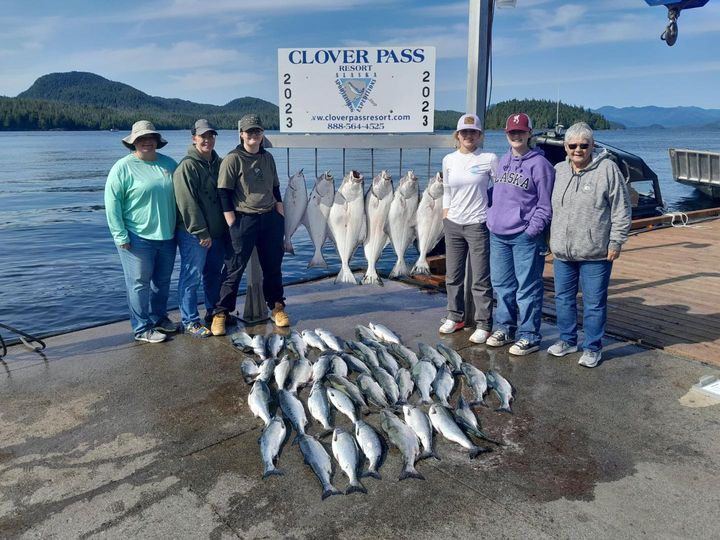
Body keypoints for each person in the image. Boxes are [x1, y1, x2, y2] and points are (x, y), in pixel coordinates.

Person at [547, 122, 631, 368]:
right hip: (562, 251)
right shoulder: (559, 170)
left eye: (584, 145)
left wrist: (616, 242)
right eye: (573, 145)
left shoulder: (608, 169)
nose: (578, 150)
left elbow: (622, 210)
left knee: (594, 303)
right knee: (563, 299)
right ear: (565, 147)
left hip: (596, 253)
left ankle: (593, 347)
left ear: (592, 146)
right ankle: (567, 340)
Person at [210, 114, 288, 336]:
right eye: (249, 132)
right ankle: (221, 313)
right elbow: (223, 192)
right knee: (234, 268)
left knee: (273, 267)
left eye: (258, 131)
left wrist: (280, 212)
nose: (254, 135)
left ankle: (277, 307)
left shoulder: (268, 158)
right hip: (244, 219)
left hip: (270, 218)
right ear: (242, 134)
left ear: (262, 134)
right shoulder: (232, 159)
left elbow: (275, 188)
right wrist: (232, 222)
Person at [486, 113, 554, 355]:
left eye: (521, 132)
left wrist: (531, 230)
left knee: (527, 287)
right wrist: (490, 217)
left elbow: (545, 205)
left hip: (525, 237)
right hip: (498, 234)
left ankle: (529, 335)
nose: (516, 135)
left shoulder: (540, 165)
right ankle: (505, 327)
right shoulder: (503, 160)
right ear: (506, 134)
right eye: (512, 132)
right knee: (502, 285)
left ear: (529, 134)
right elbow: (497, 194)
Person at [105, 121, 178, 343]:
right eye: (141, 138)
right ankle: (141, 328)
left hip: (168, 236)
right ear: (133, 142)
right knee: (139, 284)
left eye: (150, 138)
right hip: (137, 238)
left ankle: (159, 318)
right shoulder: (122, 167)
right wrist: (120, 236)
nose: (146, 141)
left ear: (157, 141)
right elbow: (112, 203)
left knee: (162, 282)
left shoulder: (169, 164)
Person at [440, 113, 497, 343]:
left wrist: (493, 214)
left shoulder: (489, 158)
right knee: (452, 275)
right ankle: (455, 316)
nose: (468, 136)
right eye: (464, 132)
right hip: (453, 224)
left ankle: (484, 323)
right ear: (458, 135)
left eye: (473, 132)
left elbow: (501, 188)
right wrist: (445, 214)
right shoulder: (448, 160)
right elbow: (446, 190)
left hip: (477, 224)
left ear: (480, 135)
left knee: (480, 278)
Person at [173, 119, 227, 337]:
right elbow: (186, 203)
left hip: (218, 233)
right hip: (194, 234)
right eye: (203, 136)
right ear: (194, 138)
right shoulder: (187, 166)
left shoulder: (219, 163)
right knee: (191, 276)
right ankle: (190, 320)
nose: (208, 140)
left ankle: (213, 311)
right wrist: (200, 232)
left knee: (214, 275)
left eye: (211, 136)